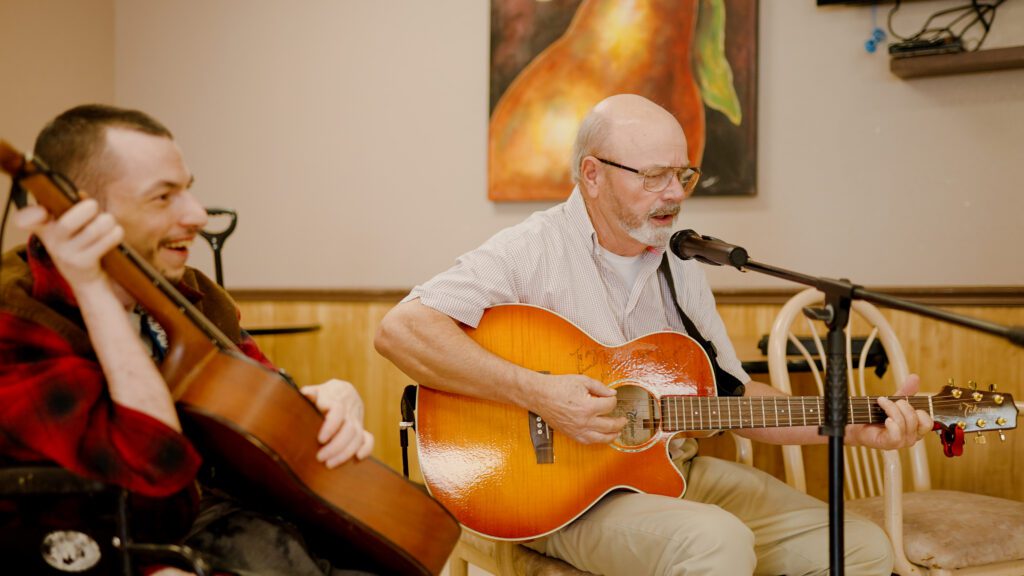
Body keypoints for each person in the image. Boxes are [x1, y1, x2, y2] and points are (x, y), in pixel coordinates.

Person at [374, 93, 934, 575]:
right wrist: (540, 393)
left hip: (669, 469)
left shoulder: (681, 261)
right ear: (592, 175)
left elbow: (732, 399)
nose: (674, 193)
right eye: (653, 177)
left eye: (683, 174)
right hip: (551, 495)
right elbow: (402, 331)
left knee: (858, 547)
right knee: (715, 541)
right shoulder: (533, 249)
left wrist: (851, 427)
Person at [0, 104, 375, 576]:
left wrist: (333, 398)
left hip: (225, 523)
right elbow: (153, 491)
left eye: (188, 191)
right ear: (75, 211)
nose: (197, 215)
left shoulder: (190, 292)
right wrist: (95, 289)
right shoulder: (16, 319)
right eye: (163, 198)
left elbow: (261, 403)